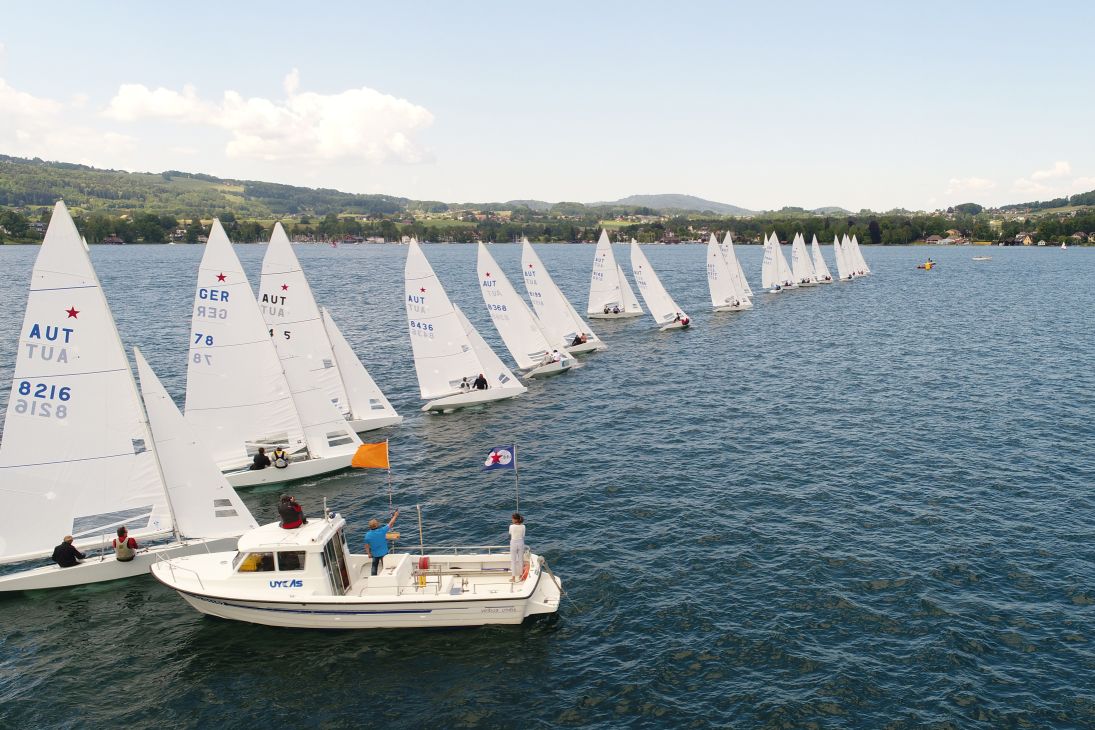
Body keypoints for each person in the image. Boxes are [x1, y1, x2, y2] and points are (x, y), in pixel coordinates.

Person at [364, 510, 399, 576]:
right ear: (377, 525)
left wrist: (369, 553)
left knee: (374, 567)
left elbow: (366, 546)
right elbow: (391, 523)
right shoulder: (382, 531)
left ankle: (373, 577)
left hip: (375, 554)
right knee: (385, 566)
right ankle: (384, 577)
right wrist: (395, 515)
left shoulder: (367, 535)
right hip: (384, 553)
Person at [509, 513, 526, 582]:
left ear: (515, 519)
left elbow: (510, 533)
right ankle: (520, 576)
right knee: (520, 560)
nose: (512, 520)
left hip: (513, 543)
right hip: (521, 542)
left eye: (512, 518)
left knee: (513, 561)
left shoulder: (511, 526)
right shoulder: (523, 526)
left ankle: (513, 578)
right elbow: (523, 535)